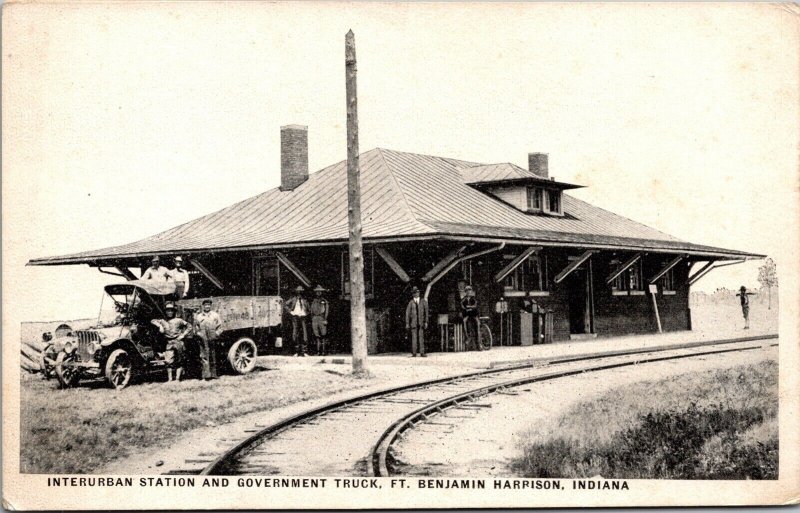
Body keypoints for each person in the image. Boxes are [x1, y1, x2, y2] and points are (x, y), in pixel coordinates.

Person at [151, 302, 190, 382]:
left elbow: (189, 326)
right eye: (168, 311)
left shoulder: (179, 320)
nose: (169, 312)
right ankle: (170, 379)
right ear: (165, 312)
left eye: (171, 311)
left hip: (178, 341)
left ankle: (177, 379)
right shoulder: (162, 321)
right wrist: (160, 325)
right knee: (168, 361)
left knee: (179, 360)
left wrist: (183, 335)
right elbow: (152, 320)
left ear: (174, 312)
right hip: (169, 343)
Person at [194, 298, 223, 379]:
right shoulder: (199, 316)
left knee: (213, 355)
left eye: (208, 305)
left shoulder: (215, 315)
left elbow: (220, 327)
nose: (207, 306)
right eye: (205, 305)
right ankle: (206, 376)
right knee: (204, 356)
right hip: (203, 339)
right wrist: (199, 334)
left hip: (212, 338)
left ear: (211, 306)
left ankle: (214, 374)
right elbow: (196, 328)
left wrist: (216, 334)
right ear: (203, 306)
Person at [284, 285, 309, 357]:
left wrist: (306, 313)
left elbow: (309, 309)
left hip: (303, 317)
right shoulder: (293, 299)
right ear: (296, 292)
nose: (299, 293)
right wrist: (291, 312)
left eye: (301, 292)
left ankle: (304, 351)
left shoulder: (305, 300)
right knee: (295, 333)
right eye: (298, 291)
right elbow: (285, 304)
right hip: (295, 317)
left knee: (304, 334)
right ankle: (296, 351)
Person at [405, 286, 428, 357]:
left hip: (421, 323)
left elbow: (426, 312)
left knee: (421, 338)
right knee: (414, 338)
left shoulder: (423, 301)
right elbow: (407, 313)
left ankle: (422, 352)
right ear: (413, 294)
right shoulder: (411, 303)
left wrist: (426, 322)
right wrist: (407, 323)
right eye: (414, 293)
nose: (416, 294)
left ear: (419, 293)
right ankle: (414, 353)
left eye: (417, 292)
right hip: (414, 323)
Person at [310, 285, 329, 356]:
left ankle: (323, 351)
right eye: (317, 292)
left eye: (320, 292)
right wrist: (312, 318)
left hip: (321, 318)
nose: (318, 293)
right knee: (317, 335)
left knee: (323, 335)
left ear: (322, 292)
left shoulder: (324, 301)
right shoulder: (314, 301)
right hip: (315, 318)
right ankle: (318, 351)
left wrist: (325, 319)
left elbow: (326, 311)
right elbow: (311, 310)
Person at [461, 285, 481, 350]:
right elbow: (462, 306)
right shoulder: (463, 299)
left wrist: (469, 307)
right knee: (464, 322)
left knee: (477, 325)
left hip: (474, 314)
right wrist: (468, 308)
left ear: (471, 291)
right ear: (465, 292)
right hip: (467, 314)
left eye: (469, 290)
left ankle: (479, 344)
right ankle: (467, 338)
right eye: (467, 291)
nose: (468, 292)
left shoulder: (474, 299)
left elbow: (475, 305)